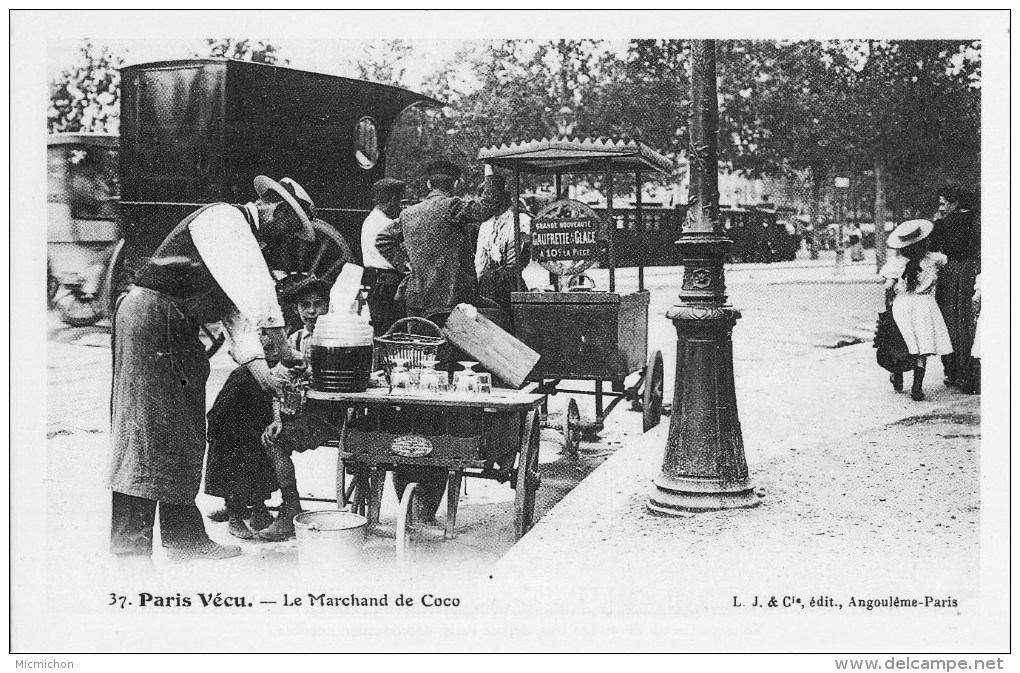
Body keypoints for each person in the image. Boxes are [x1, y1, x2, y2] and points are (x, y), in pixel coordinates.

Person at [108, 175, 314, 564]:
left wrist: (264, 376)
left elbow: (236, 318)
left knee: (182, 431)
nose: (287, 240)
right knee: (146, 430)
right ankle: (130, 547)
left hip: (170, 323)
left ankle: (183, 537)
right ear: (276, 209)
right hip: (155, 318)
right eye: (290, 227)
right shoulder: (227, 221)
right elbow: (258, 295)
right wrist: (286, 351)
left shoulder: (240, 237)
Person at [376, 159, 503, 522]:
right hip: (452, 306)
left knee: (419, 374)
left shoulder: (410, 213)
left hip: (415, 304)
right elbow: (489, 207)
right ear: (456, 184)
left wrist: (408, 267)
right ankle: (485, 408)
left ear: (428, 182)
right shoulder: (452, 207)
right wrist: (492, 174)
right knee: (492, 329)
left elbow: (383, 239)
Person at [259, 274, 339, 542]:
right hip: (299, 412)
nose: (312, 311)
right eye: (305, 305)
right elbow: (277, 383)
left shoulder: (339, 337)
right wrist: (276, 418)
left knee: (277, 442)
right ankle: (262, 504)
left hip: (329, 414)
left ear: (329, 306)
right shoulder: (293, 340)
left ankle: (290, 507)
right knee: (269, 433)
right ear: (296, 309)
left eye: (319, 304)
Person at [204, 334, 280, 540]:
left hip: (253, 432)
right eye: (267, 353)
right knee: (236, 476)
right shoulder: (242, 376)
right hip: (231, 436)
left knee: (260, 468)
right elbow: (219, 413)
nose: (273, 356)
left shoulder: (269, 375)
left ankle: (259, 511)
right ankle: (235, 517)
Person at [880, 219, 953, 401]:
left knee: (902, 342)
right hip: (925, 305)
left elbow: (888, 286)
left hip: (903, 305)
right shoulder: (934, 259)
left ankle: (898, 375)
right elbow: (945, 261)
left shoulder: (895, 263)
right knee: (923, 346)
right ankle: (917, 387)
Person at [929, 187, 981, 393]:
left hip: (950, 273)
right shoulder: (976, 221)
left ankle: (952, 371)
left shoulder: (942, 224)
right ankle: (968, 371)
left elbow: (933, 247)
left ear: (955, 203)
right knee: (967, 323)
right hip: (969, 272)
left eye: (943, 204)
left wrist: (935, 223)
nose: (941, 208)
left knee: (948, 322)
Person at [475, 177, 532, 317]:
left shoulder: (521, 220)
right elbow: (480, 260)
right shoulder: (486, 225)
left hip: (511, 281)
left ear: (501, 197)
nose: (486, 203)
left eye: (490, 198)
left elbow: (527, 252)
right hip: (488, 283)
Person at [361, 178, 408, 336]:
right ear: (394, 199)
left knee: (381, 329)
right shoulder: (385, 225)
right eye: (399, 200)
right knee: (391, 330)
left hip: (377, 282)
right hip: (387, 285)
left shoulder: (371, 220)